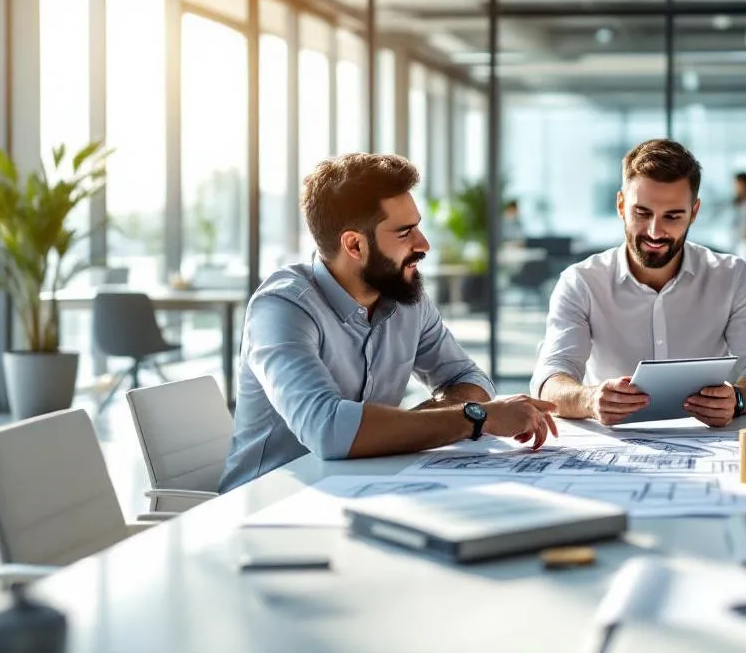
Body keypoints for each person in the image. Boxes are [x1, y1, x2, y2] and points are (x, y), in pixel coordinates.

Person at [220, 154, 557, 492]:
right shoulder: (282, 307)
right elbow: (328, 430)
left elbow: (469, 380)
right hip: (267, 505)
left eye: (418, 226)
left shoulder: (405, 299)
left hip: (362, 490)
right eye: (405, 232)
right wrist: (474, 418)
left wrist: (403, 429)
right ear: (354, 244)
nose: (423, 244)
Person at [532, 139, 746, 428]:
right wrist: (589, 400)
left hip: (706, 439)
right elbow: (550, 377)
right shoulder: (581, 282)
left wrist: (739, 398)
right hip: (612, 443)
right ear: (621, 206)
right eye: (642, 213)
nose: (655, 231)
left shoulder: (730, 275)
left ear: (694, 212)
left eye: (673, 216)